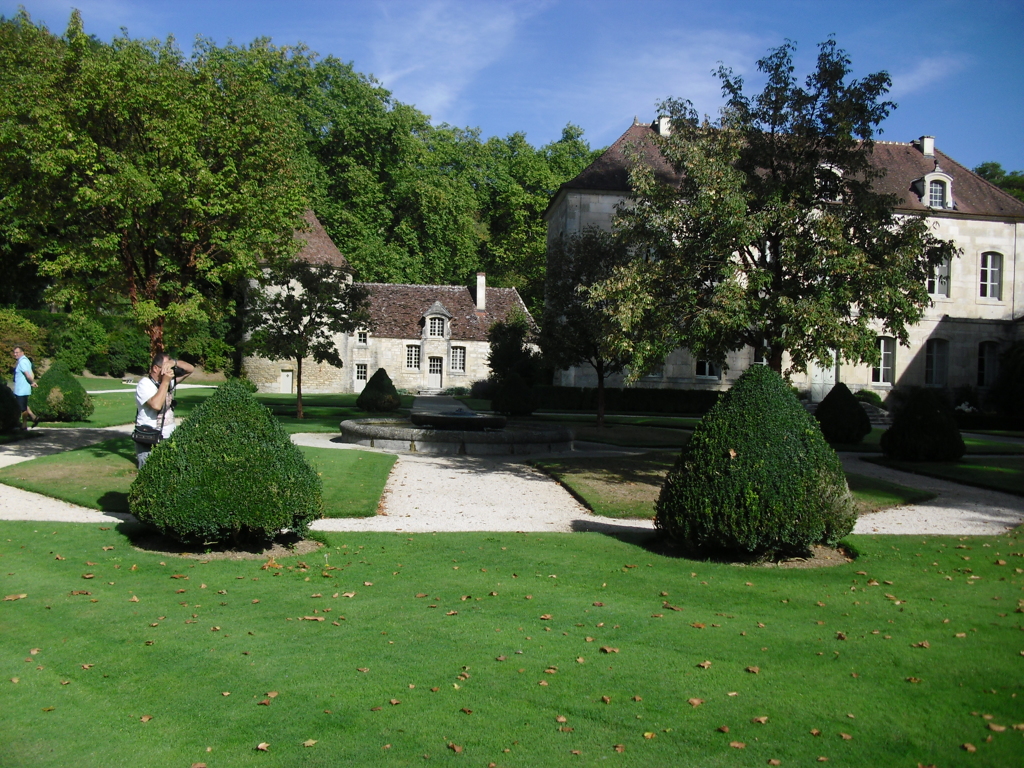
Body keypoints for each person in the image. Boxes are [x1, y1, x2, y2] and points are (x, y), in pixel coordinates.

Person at [134, 352, 194, 468]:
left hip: (168, 435)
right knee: (148, 473)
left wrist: (174, 362)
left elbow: (190, 369)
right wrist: (166, 381)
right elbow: (156, 405)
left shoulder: (168, 381)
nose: (169, 370)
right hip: (149, 437)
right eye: (166, 367)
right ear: (156, 368)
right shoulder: (144, 384)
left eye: (170, 368)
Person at [12, 346, 39, 434]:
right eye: (14, 352)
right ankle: (34, 417)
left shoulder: (22, 362)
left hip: (21, 389)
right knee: (23, 404)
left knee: (22, 408)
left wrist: (32, 382)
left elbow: (27, 374)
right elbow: (31, 372)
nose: (15, 354)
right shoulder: (26, 360)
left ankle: (24, 425)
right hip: (22, 388)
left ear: (22, 352)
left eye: (17, 352)